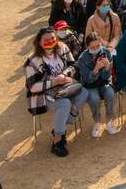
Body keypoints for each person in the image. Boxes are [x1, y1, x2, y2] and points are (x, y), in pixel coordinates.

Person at [23, 27, 88, 157]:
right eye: (46, 40)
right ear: (39, 42)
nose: (50, 41)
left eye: (53, 38)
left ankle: (60, 126)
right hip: (43, 94)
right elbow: (33, 87)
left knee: (84, 93)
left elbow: (73, 65)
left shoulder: (62, 48)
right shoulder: (32, 61)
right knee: (64, 104)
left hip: (64, 86)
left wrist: (65, 75)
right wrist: (54, 82)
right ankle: (58, 140)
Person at [76, 32, 119, 137]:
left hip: (104, 82)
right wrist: (95, 69)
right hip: (90, 85)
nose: (95, 48)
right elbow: (86, 80)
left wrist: (108, 67)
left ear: (101, 43)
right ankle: (97, 122)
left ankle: (109, 121)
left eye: (98, 46)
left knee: (110, 94)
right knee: (94, 98)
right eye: (92, 47)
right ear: (87, 47)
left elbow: (106, 77)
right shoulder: (82, 58)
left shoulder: (106, 53)